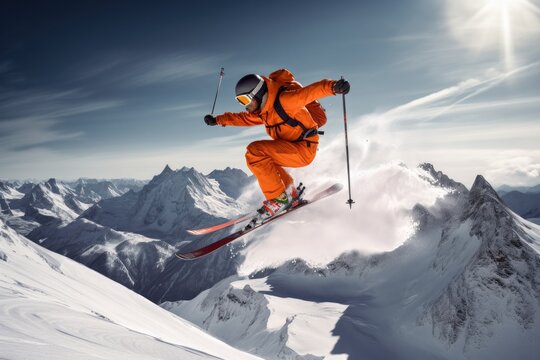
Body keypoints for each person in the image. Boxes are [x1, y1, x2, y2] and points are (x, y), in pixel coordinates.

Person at [204, 69, 350, 223]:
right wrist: (218, 120)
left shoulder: (286, 101)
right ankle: (289, 193)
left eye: (246, 100)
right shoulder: (265, 110)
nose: (245, 106)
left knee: (255, 152)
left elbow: (310, 92)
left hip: (303, 149)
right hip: (290, 147)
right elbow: (242, 118)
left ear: (259, 93)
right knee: (265, 161)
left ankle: (278, 200)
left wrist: (334, 86)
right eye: (241, 102)